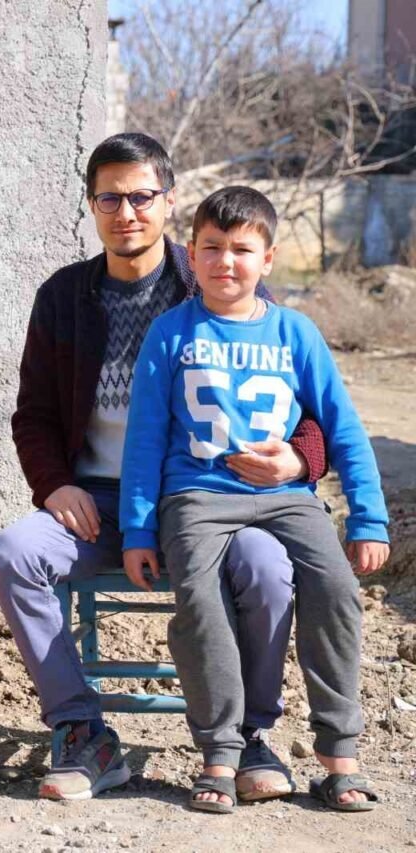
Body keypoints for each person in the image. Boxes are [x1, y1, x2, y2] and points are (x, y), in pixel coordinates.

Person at [0, 133, 331, 802]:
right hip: (101, 506)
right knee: (12, 554)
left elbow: (311, 408)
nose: (127, 212)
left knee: (267, 568)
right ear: (91, 204)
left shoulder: (212, 278)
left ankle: (248, 734)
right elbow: (33, 415)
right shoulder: (63, 297)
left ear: (170, 201)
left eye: (142, 196)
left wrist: (298, 456)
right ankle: (84, 732)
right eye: (109, 198)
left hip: (212, 503)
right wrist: (55, 484)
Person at [121, 186, 389, 814]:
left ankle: (339, 758)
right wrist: (138, 529)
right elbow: (145, 437)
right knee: (200, 600)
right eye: (212, 247)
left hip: (286, 496)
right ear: (191, 253)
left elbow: (343, 428)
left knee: (337, 590)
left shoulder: (295, 332)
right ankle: (220, 755)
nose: (226, 262)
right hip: (197, 496)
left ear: (267, 259)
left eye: (242, 250)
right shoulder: (171, 332)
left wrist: (368, 517)